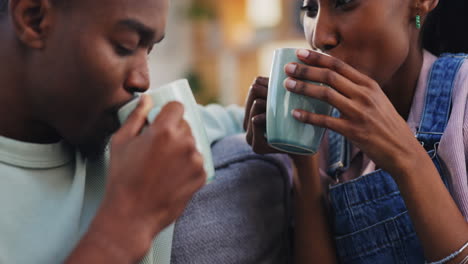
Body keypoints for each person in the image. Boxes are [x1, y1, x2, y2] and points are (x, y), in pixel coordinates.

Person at [0, 0, 294, 263]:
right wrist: (125, 225)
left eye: (149, 50)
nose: (143, 79)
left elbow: (243, 123)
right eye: (125, 46)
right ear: (34, 18)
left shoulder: (126, 124)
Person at [244, 0, 468, 263]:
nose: (318, 36)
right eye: (310, 9)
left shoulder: (462, 96)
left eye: (344, 3)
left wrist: (406, 158)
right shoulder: (328, 130)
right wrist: (302, 155)